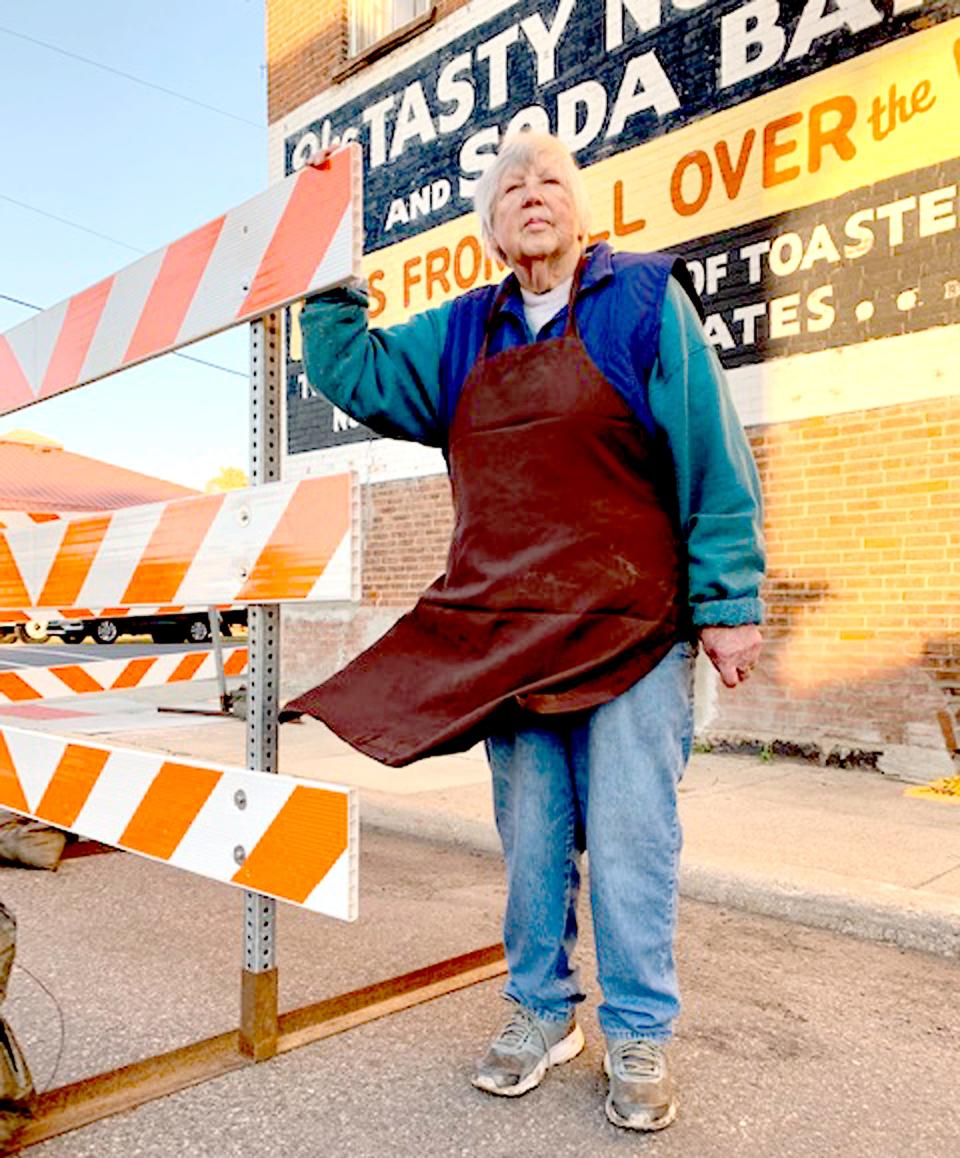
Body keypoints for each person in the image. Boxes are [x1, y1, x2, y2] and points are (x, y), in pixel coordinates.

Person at [283, 131, 764, 1132]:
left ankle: (638, 1029)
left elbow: (713, 453)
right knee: (535, 840)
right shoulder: (462, 334)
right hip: (513, 635)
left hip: (631, 628)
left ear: (578, 211)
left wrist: (728, 604)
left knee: (633, 839)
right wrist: (328, 247)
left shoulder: (641, 303)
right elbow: (355, 373)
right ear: (490, 225)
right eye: (511, 187)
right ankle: (540, 1015)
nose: (532, 195)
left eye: (551, 181)